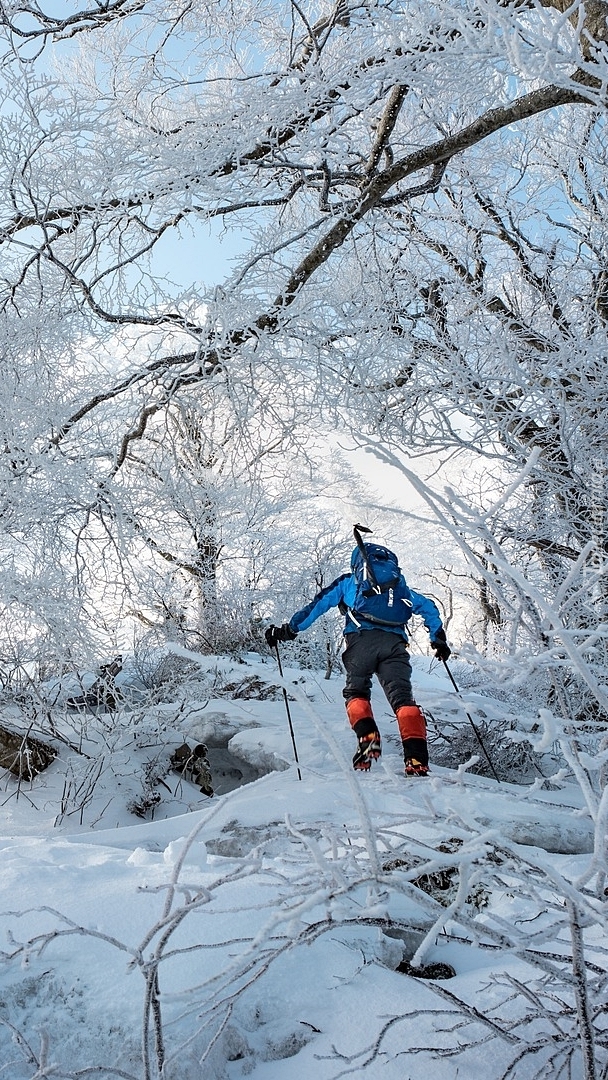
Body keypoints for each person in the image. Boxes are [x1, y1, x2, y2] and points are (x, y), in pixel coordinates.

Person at [265, 528, 451, 777]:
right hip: (395, 645)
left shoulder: (349, 582)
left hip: (360, 643)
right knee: (403, 700)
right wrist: (437, 639)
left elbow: (317, 606)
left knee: (356, 692)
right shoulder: (399, 588)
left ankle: (368, 736)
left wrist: (289, 630)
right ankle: (416, 759)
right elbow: (428, 607)